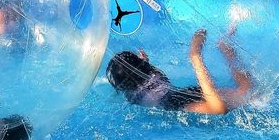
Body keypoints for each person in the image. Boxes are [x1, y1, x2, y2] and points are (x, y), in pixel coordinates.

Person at [106, 29, 252, 115]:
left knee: (247, 95)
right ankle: (205, 53)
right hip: (180, 100)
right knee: (245, 95)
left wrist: (144, 64)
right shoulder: (155, 75)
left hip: (175, 101)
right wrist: (145, 64)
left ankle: (223, 48)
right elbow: (217, 108)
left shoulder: (131, 96)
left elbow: (139, 81)